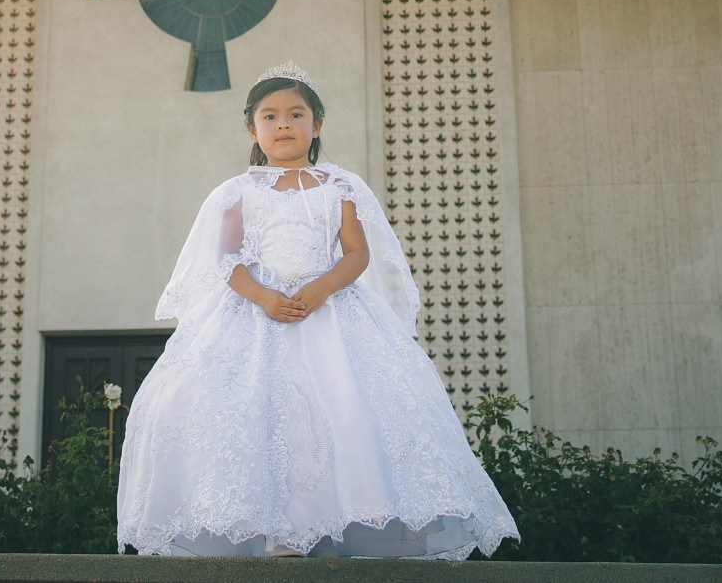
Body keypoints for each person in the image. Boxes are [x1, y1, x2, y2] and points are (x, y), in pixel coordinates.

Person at [115, 61, 518, 558]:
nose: (283, 124)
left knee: (345, 410)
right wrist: (263, 296)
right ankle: (273, 531)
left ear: (317, 124)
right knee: (228, 409)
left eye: (295, 114)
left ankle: (324, 526)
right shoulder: (238, 191)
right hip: (256, 313)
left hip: (329, 311)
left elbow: (357, 253)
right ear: (252, 129)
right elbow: (227, 260)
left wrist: (322, 288)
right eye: (269, 116)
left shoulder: (338, 187)